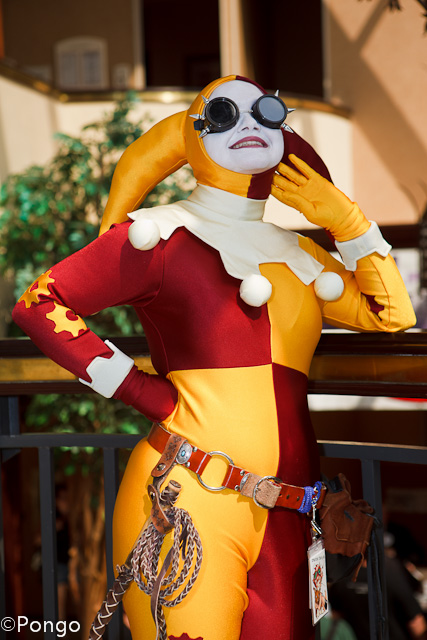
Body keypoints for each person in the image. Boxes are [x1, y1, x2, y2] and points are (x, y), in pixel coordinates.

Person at [12, 75, 416, 640]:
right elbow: (38, 302)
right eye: (223, 114)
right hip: (186, 499)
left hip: (291, 513)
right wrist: (137, 389)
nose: (248, 125)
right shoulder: (159, 236)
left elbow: (391, 314)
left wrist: (348, 221)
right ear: (191, 137)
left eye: (266, 112)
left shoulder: (299, 253)